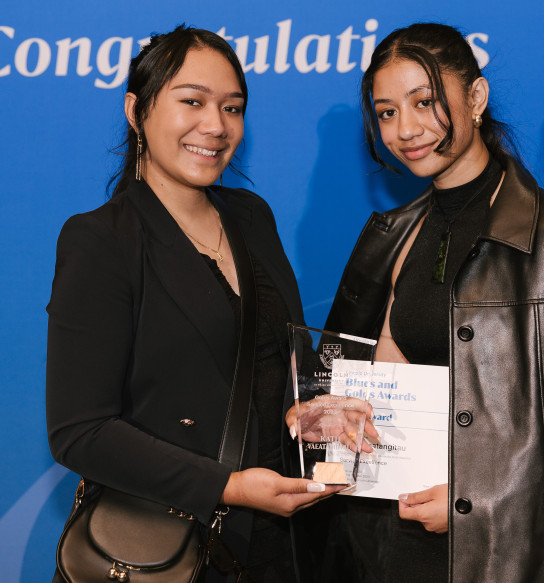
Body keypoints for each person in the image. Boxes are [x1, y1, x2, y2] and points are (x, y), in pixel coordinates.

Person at [46, 25, 341, 583]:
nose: (216, 125)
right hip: (171, 548)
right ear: (137, 111)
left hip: (283, 539)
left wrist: (309, 409)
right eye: (193, 101)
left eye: (233, 108)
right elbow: (79, 431)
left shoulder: (252, 216)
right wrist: (229, 486)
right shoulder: (102, 240)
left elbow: (279, 361)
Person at [321, 22, 544, 583]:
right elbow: (362, 385)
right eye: (386, 112)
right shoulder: (391, 239)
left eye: (424, 102)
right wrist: (325, 411)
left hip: (519, 554)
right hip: (398, 544)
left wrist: (479, 501)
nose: (406, 129)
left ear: (476, 97)